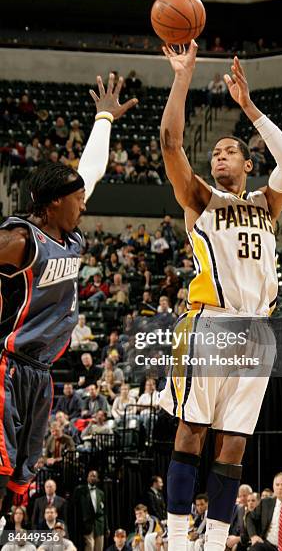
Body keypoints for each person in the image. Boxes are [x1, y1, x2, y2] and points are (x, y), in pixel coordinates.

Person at [158, 42, 282, 550]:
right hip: (211, 323)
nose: (219, 154)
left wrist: (249, 107)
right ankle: (177, 542)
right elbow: (172, 143)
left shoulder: (266, 202)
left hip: (259, 328)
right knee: (192, 432)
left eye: (228, 150)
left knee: (233, 444)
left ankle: (214, 542)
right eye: (214, 151)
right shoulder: (201, 197)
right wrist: (182, 77)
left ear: (245, 162)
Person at [0, 73, 137, 510]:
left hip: (39, 374)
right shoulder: (19, 238)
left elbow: (90, 171)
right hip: (5, 367)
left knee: (20, 481)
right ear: (55, 202)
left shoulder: (69, 236)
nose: (85, 202)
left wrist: (103, 118)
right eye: (77, 199)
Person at [73, 471, 107, 551]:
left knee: (99, 547)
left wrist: (106, 527)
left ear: (97, 479)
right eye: (91, 476)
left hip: (99, 524)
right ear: (87, 478)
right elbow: (75, 506)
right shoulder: (80, 490)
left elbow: (104, 512)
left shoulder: (101, 493)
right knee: (90, 546)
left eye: (94, 476)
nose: (92, 477)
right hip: (87, 524)